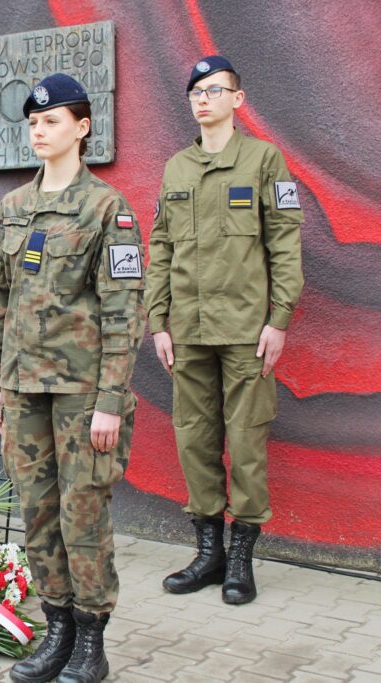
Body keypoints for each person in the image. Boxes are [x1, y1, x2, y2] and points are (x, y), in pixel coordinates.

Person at [0, 74, 145, 683]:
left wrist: (110, 401)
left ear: (83, 127)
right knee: (39, 511)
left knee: (82, 514)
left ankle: (91, 643)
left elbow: (125, 310)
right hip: (22, 391)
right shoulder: (13, 209)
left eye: (51, 121)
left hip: (81, 395)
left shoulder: (107, 210)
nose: (39, 131)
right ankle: (58, 631)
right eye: (33, 123)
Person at [146, 56, 304, 605]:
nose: (203, 98)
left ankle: (241, 557)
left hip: (245, 331)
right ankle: (208, 552)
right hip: (187, 330)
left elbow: (285, 243)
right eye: (195, 91)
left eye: (215, 90)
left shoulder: (264, 160)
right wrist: (157, 319)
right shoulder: (176, 169)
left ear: (238, 99)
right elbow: (160, 246)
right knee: (194, 438)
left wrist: (278, 320)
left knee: (246, 440)